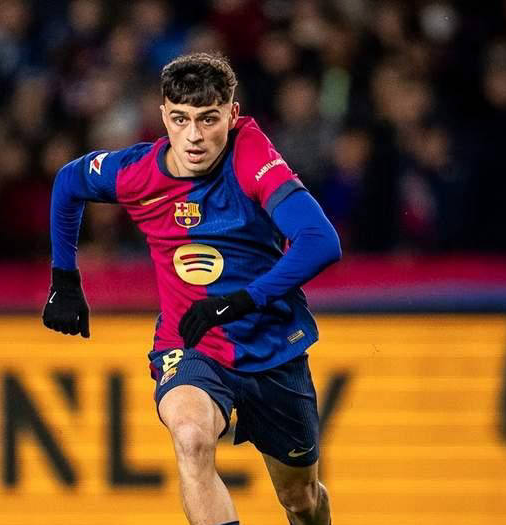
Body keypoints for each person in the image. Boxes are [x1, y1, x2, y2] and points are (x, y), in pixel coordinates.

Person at [42, 52, 340, 525]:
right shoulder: (137, 172)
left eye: (208, 119)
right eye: (180, 119)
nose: (195, 136)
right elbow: (68, 182)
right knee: (191, 437)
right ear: (164, 116)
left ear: (232, 115)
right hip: (192, 342)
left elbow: (321, 242)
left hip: (272, 346)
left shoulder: (252, 158)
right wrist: (65, 279)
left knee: (300, 500)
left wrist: (243, 300)